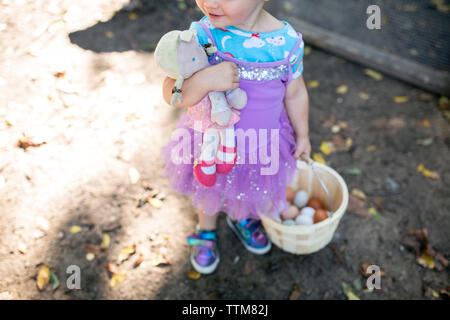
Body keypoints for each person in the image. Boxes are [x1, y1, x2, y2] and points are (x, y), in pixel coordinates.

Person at [160, 0, 311, 274]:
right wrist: (204, 80)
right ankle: (205, 230)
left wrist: (303, 134)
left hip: (261, 144)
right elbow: (173, 93)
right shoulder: (202, 37)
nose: (208, 2)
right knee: (208, 186)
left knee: (249, 187)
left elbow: (296, 93)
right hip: (210, 142)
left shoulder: (287, 44)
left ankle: (240, 217)